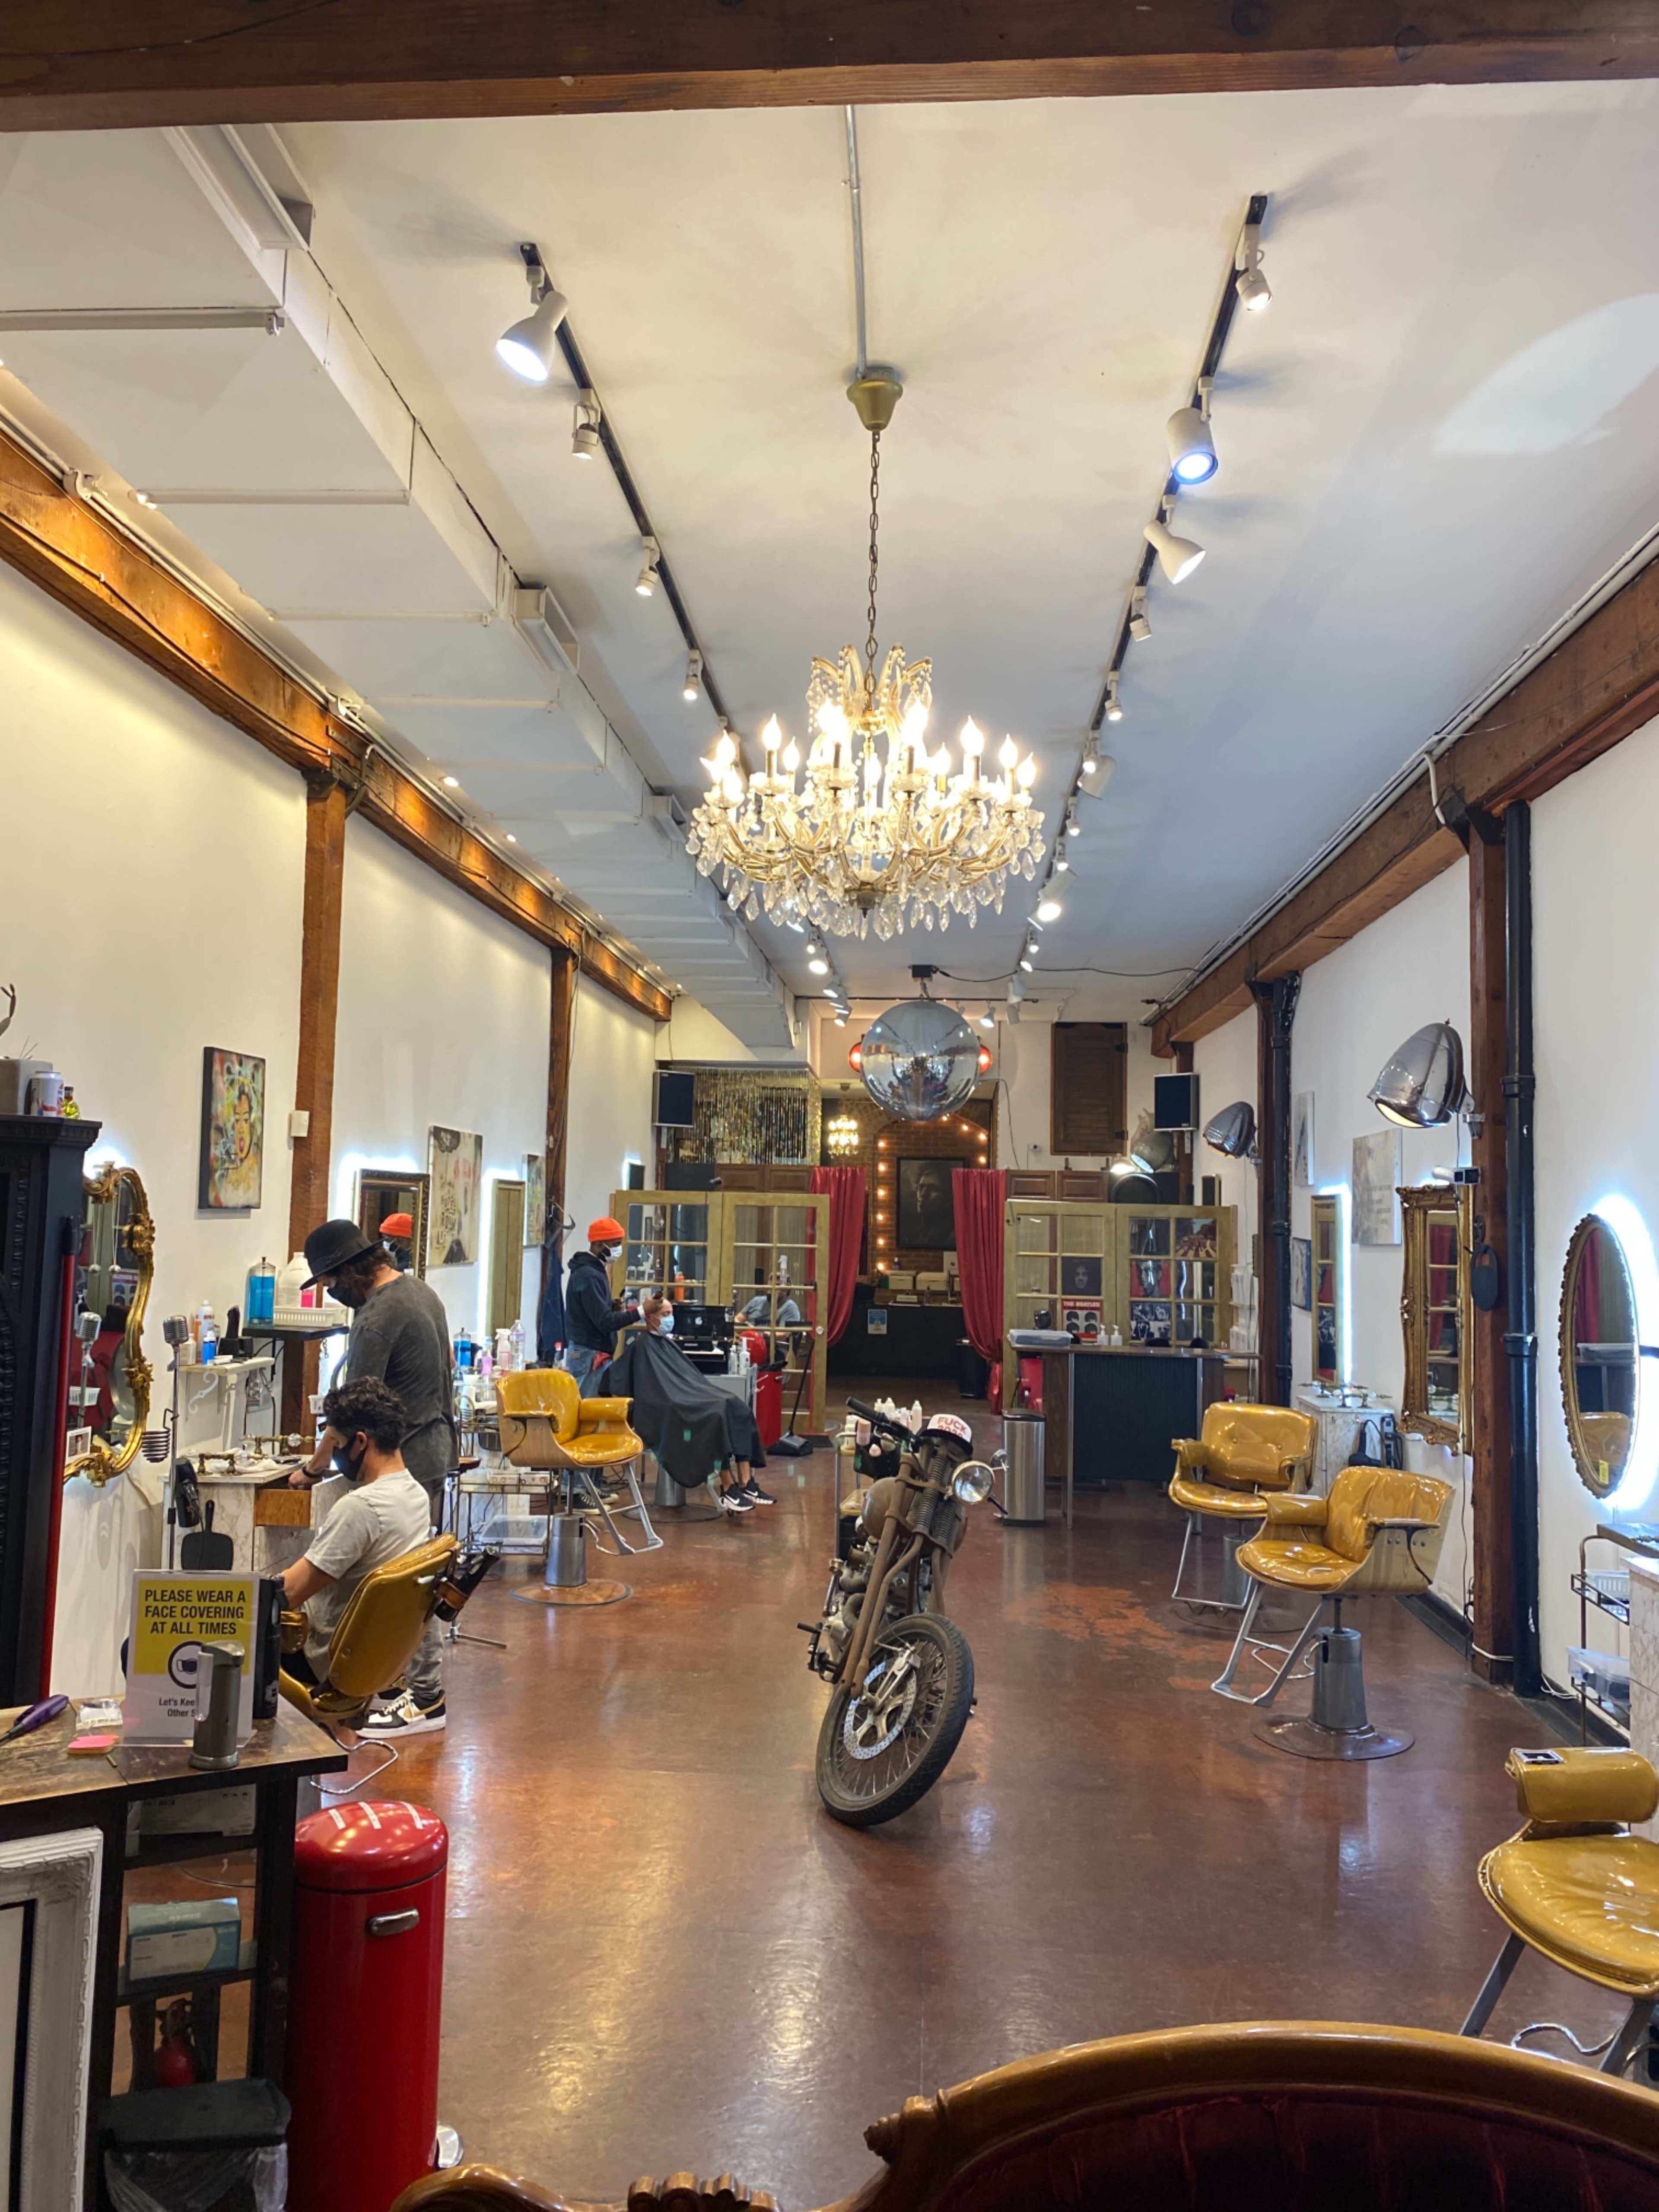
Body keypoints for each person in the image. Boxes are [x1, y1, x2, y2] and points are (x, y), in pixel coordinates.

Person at [291, 1217, 457, 1736]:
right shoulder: (421, 1292)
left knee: (410, 1585)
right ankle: (395, 1678)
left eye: (329, 1281)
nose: (330, 1291)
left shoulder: (376, 1318)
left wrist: (314, 1466)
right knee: (416, 1576)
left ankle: (425, 1696)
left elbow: (351, 1410)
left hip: (404, 1455)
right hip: (435, 1447)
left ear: (348, 1271)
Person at [278, 1378, 438, 1717]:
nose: (336, 1453)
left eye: (337, 1443)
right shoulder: (415, 1495)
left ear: (360, 1442)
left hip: (325, 1659)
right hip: (378, 1658)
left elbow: (288, 1594)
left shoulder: (362, 1509)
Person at [564, 1217, 661, 1393]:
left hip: (593, 1351)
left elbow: (591, 1310)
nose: (619, 1250)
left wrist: (609, 1306)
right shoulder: (588, 1275)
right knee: (586, 1407)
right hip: (589, 1354)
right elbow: (605, 1322)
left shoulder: (595, 1270)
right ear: (599, 1245)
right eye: (615, 1245)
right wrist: (642, 1311)